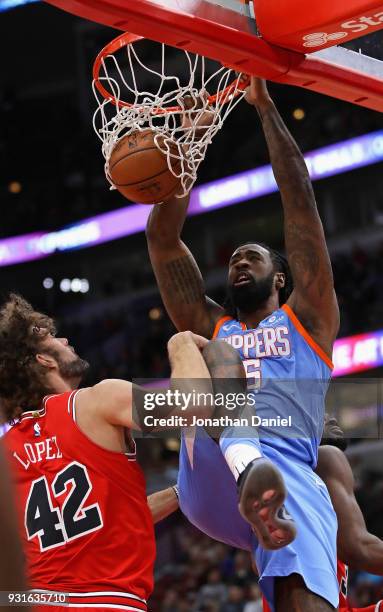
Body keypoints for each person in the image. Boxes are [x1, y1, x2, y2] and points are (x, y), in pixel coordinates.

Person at [146, 78, 340, 610]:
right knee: (208, 350)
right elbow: (163, 241)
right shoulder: (215, 325)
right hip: (210, 467)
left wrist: (263, 107)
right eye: (231, 258)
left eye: (251, 256)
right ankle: (242, 454)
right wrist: (186, 150)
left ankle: (256, 472)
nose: (237, 261)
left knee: (309, 589)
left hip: (282, 477)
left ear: (281, 278)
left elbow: (299, 198)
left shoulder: (310, 319)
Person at [0, 293, 219, 611]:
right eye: (52, 337)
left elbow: (103, 520)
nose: (64, 339)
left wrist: (179, 492)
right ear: (44, 360)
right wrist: (181, 345)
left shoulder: (7, 451)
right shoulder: (95, 401)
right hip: (107, 602)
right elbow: (194, 404)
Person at [148, 416, 383, 611]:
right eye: (317, 407)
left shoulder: (320, 462)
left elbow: (358, 547)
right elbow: (358, 547)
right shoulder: (269, 462)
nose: (329, 416)